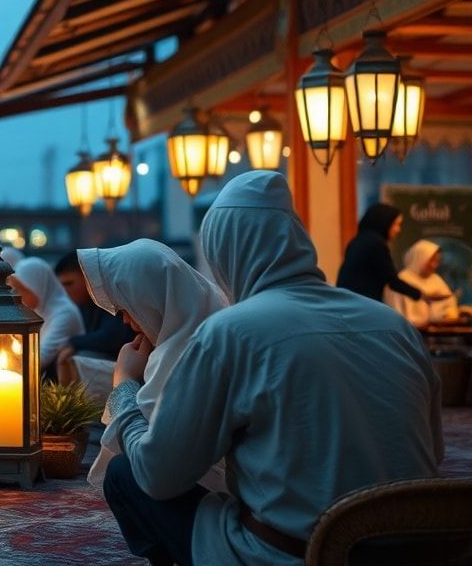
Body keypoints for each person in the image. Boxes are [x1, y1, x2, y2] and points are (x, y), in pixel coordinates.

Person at [101, 171, 442, 566]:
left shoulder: (231, 332)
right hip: (417, 549)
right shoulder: (393, 324)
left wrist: (124, 386)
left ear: (223, 253)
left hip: (295, 554)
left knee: (125, 475)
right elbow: (431, 450)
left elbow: (157, 475)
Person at [76, 239, 229, 493]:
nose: (125, 321)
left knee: (122, 473)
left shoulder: (185, 355)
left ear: (151, 303)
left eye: (126, 309)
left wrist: (124, 381)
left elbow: (151, 461)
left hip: (220, 498)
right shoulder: (212, 325)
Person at [337, 202, 448, 305]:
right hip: (362, 304)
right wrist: (423, 296)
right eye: (396, 224)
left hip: (348, 301)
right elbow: (392, 281)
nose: (398, 230)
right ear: (384, 223)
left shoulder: (358, 240)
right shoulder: (376, 244)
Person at [6, 258, 85, 380]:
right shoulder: (36, 311)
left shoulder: (65, 312)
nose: (17, 295)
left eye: (21, 289)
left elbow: (39, 358)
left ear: (37, 286)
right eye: (15, 289)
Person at [55, 251, 134, 363]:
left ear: (87, 276)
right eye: (62, 286)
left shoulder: (110, 296)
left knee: (79, 357)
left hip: (126, 365)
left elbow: (111, 336)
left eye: (69, 284)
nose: (66, 291)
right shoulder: (82, 303)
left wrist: (72, 343)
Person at [385, 239, 458, 326]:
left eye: (437, 261)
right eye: (430, 260)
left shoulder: (437, 280)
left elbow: (449, 303)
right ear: (420, 258)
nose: (433, 265)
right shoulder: (402, 281)